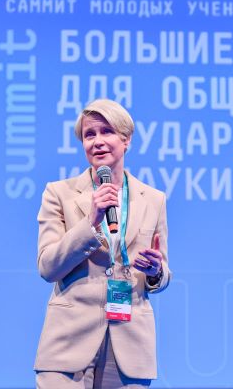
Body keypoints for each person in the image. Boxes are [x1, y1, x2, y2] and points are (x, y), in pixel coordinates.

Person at [34, 99, 172, 388]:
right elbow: (47, 267)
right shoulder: (59, 194)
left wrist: (156, 272)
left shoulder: (153, 199)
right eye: (89, 135)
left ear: (126, 139)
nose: (97, 141)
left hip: (129, 343)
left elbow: (162, 275)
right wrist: (91, 222)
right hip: (68, 343)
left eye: (106, 132)